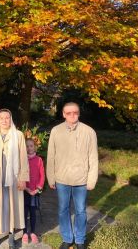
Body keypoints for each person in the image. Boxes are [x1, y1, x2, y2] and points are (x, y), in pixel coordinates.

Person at [46, 102, 98, 249]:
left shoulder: (89, 132)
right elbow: (51, 156)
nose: (72, 115)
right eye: (68, 113)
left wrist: (92, 179)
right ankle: (68, 238)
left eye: (75, 112)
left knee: (81, 210)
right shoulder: (56, 131)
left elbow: (93, 157)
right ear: (63, 114)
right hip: (61, 179)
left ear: (79, 113)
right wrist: (51, 177)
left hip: (81, 180)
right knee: (63, 209)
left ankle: (80, 239)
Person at [0, 109, 29, 249]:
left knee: (11, 207)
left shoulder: (18, 135)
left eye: (7, 117)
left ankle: (11, 238)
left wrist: (23, 178)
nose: (4, 120)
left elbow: (23, 158)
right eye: (1, 118)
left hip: (12, 178)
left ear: (11, 119)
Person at [22, 138, 45, 245]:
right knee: (24, 212)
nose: (29, 148)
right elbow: (20, 175)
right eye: (27, 146)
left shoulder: (39, 160)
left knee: (33, 212)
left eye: (31, 146)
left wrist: (38, 188)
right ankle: (25, 233)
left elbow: (42, 175)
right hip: (25, 190)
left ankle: (33, 232)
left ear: (34, 147)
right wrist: (26, 188)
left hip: (35, 191)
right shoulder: (22, 160)